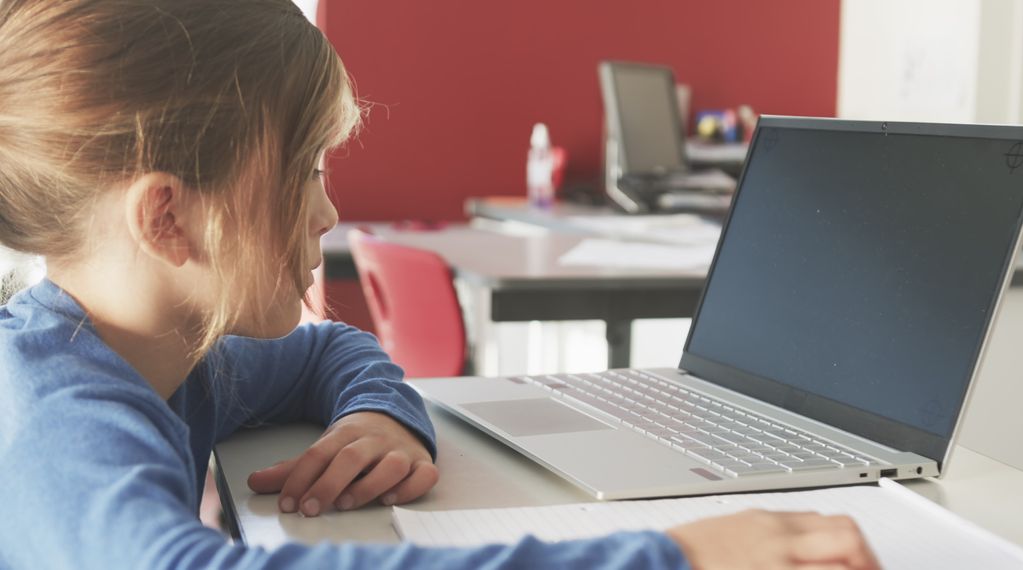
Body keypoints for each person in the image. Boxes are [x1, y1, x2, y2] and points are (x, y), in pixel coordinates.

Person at [0, 1, 880, 568]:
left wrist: (378, 413)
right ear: (167, 220)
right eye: (303, 170)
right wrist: (675, 557)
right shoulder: (54, 425)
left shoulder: (164, 353)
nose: (328, 213)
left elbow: (328, 351)